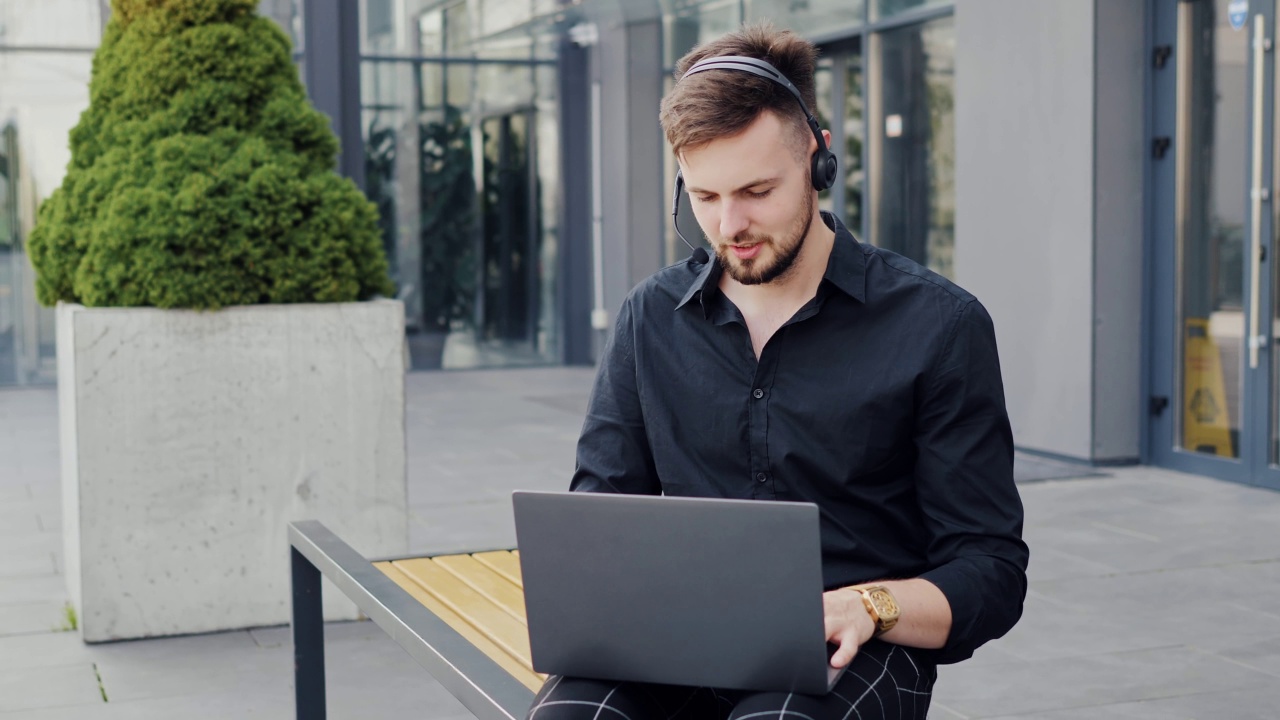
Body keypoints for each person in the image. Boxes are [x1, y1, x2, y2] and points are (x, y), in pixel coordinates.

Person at [526, 23, 1028, 720]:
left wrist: (870, 606)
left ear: (818, 162)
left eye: (757, 190)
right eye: (704, 197)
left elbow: (991, 571)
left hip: (858, 644)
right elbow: (597, 521)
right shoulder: (650, 318)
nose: (730, 224)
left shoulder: (939, 326)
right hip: (678, 632)